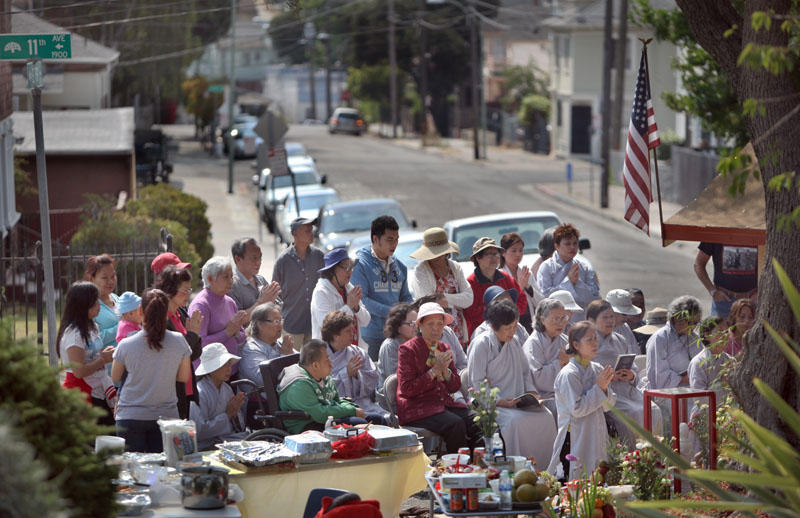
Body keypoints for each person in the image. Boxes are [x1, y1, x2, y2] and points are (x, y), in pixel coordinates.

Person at [468, 299, 556, 462]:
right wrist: (500, 401)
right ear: (494, 327)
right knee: (516, 422)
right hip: (493, 404)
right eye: (508, 328)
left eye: (514, 326)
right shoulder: (482, 344)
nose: (512, 331)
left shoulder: (514, 342)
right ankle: (518, 466)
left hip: (516, 399)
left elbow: (524, 373)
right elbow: (477, 382)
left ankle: (546, 468)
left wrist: (531, 393)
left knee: (547, 417)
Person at [112, 289, 192, 452]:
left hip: (130, 416)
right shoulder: (179, 341)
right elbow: (184, 377)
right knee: (167, 473)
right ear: (166, 314)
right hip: (167, 417)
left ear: (141, 311)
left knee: (132, 473)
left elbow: (115, 376)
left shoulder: (126, 344)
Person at [396, 302, 482, 453]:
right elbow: (407, 389)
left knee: (478, 421)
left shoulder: (443, 348)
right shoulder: (408, 350)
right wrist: (434, 371)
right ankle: (458, 467)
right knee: (455, 424)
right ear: (419, 326)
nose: (436, 328)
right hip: (417, 407)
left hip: (442, 404)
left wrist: (446, 373)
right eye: (430, 324)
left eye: (440, 324)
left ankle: (479, 463)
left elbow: (454, 386)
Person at [547, 321, 616, 480]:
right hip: (575, 435)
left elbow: (608, 406)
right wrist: (599, 388)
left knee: (598, 477)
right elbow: (577, 410)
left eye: (595, 338)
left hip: (596, 431)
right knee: (576, 479)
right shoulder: (569, 374)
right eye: (589, 340)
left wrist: (604, 389)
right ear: (576, 344)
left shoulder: (597, 368)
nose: (595, 343)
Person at [586, 299, 650, 447]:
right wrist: (608, 377)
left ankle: (653, 452)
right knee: (635, 412)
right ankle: (633, 455)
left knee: (653, 409)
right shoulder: (589, 342)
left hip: (627, 389)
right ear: (592, 320)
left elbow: (633, 367)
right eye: (605, 317)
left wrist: (631, 375)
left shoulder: (620, 339)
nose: (610, 321)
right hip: (609, 393)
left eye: (611, 317)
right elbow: (587, 371)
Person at [351, 215, 414, 361]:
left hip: (398, 335)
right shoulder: (360, 264)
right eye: (389, 239)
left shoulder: (400, 266)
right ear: (375, 239)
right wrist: (394, 313)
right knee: (375, 380)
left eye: (397, 239)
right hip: (371, 336)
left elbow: (405, 297)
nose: (394, 244)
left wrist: (413, 309)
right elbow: (362, 300)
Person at [57, 281, 117, 425]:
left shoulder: (92, 325)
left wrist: (103, 354)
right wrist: (103, 360)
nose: (99, 305)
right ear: (83, 305)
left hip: (98, 390)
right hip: (83, 395)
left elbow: (93, 354)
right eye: (95, 301)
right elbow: (79, 371)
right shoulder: (74, 334)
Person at [277, 339, 366, 434]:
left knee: (376, 419)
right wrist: (352, 411)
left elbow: (336, 401)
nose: (331, 364)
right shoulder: (298, 385)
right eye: (327, 359)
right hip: (308, 426)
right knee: (360, 423)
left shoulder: (322, 376)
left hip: (327, 417)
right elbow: (320, 414)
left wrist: (353, 408)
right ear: (315, 365)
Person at [154, 265, 204, 419]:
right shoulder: (160, 317)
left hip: (188, 387)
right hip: (171, 389)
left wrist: (195, 335)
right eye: (185, 290)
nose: (188, 295)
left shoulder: (181, 312)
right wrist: (193, 335)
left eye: (190, 290)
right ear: (169, 290)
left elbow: (194, 354)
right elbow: (174, 354)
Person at [409, 227, 472, 344]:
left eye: (440, 252)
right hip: (434, 334)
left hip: (458, 332)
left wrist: (444, 298)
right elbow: (427, 302)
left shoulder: (455, 267)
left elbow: (469, 298)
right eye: (433, 252)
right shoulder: (421, 271)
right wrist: (457, 301)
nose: (437, 256)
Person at [322, 311, 388, 422]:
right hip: (337, 408)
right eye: (348, 331)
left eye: (352, 330)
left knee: (387, 418)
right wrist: (346, 373)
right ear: (335, 335)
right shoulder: (320, 355)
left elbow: (373, 378)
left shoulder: (357, 352)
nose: (353, 334)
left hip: (363, 403)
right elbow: (321, 386)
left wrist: (358, 375)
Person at [189, 257, 248, 377]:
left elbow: (241, 338)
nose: (231, 281)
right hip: (209, 375)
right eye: (226, 277)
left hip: (231, 370)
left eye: (232, 276)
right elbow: (198, 344)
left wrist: (236, 332)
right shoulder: (200, 305)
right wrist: (227, 332)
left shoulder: (230, 301)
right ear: (210, 279)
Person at [272, 217, 326, 347]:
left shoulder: (319, 256)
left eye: (311, 229)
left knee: (314, 365)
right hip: (291, 326)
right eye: (307, 230)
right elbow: (274, 295)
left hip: (316, 325)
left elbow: (327, 285)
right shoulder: (282, 261)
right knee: (293, 365)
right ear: (294, 233)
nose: (311, 232)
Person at [463, 237, 526, 341]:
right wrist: (498, 313)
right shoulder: (470, 283)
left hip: (509, 333)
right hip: (481, 336)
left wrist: (509, 314)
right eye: (489, 254)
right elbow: (469, 313)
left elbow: (522, 300)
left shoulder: (506, 278)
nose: (494, 257)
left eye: (496, 254)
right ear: (478, 258)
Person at [189, 343, 249, 450]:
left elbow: (236, 424)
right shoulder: (200, 392)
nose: (229, 369)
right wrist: (227, 415)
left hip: (226, 440)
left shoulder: (226, 388)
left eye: (229, 364)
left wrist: (235, 414)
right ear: (211, 369)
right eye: (224, 365)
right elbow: (198, 430)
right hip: (206, 446)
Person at [536, 224, 599, 321]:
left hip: (581, 320)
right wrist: (569, 283)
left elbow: (595, 297)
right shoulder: (547, 267)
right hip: (555, 321)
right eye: (567, 244)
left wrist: (577, 283)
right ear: (556, 246)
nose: (572, 247)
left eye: (575, 243)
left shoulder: (584, 267)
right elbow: (544, 298)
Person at [522, 297, 570, 420]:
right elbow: (538, 379)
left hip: (567, 391)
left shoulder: (564, 340)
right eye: (556, 319)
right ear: (543, 320)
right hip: (544, 396)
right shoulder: (533, 343)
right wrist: (560, 362)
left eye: (563, 318)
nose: (561, 323)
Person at [310, 248, 370, 341]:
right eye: (346, 267)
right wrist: (349, 306)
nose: (350, 271)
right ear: (332, 270)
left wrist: (356, 308)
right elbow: (327, 327)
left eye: (351, 267)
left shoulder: (348, 286)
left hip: (353, 351)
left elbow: (366, 321)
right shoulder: (321, 292)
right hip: (329, 353)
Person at [645, 296, 703, 390]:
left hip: (693, 388)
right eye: (690, 322)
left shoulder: (694, 338)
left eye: (696, 323)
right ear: (677, 318)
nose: (693, 327)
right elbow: (658, 376)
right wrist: (686, 378)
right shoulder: (660, 338)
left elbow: (702, 363)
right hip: (666, 392)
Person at [694, 242, 758, 318]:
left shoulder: (758, 231)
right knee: (718, 329)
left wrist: (761, 292)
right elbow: (698, 264)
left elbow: (772, 263)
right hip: (723, 302)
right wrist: (713, 291)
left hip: (752, 301)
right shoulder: (717, 231)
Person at [240, 302, 295, 385]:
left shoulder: (279, 343)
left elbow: (302, 362)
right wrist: (285, 356)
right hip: (264, 396)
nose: (280, 325)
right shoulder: (251, 349)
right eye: (276, 321)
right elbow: (263, 379)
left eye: (281, 320)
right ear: (260, 324)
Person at [500, 232, 542, 332]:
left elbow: (541, 301)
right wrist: (519, 286)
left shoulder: (527, 273)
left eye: (520, 250)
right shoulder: (499, 276)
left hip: (530, 323)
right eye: (513, 251)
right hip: (510, 325)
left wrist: (528, 287)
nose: (518, 254)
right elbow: (503, 307)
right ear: (503, 253)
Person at [689, 316, 733, 411]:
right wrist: (722, 383)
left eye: (726, 332)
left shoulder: (730, 360)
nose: (724, 336)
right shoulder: (699, 362)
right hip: (704, 416)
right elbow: (699, 399)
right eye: (720, 332)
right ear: (707, 335)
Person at [229, 238, 281, 316]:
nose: (258, 262)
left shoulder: (261, 280)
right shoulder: (231, 285)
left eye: (260, 257)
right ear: (238, 259)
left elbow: (279, 306)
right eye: (254, 258)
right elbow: (236, 321)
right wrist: (261, 303)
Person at [377, 303, 417, 389]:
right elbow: (394, 379)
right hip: (392, 397)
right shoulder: (390, 346)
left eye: (417, 323)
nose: (415, 327)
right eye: (411, 323)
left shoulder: (416, 343)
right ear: (398, 325)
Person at [84, 254, 120, 351]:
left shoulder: (116, 298)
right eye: (104, 278)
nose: (111, 281)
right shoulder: (88, 306)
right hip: (104, 364)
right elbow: (93, 339)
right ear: (92, 278)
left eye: (113, 276)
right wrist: (122, 327)